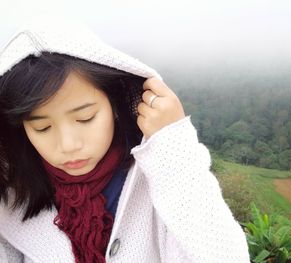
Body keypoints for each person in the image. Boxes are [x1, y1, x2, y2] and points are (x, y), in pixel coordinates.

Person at [0, 21, 250, 263]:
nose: (68, 145)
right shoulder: (13, 192)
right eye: (42, 127)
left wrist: (174, 147)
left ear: (115, 103)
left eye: (85, 118)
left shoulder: (159, 175)